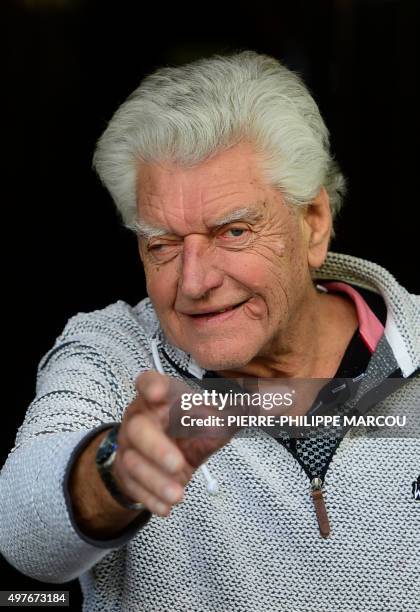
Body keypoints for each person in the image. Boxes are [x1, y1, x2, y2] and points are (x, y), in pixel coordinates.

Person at [0, 51, 418, 612]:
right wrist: (116, 469)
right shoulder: (113, 354)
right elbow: (22, 533)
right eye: (162, 244)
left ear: (313, 223)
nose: (193, 283)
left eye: (234, 231)